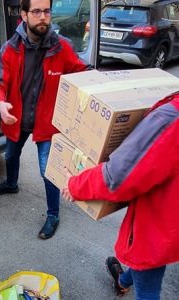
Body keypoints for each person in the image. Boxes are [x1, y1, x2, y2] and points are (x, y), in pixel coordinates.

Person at [0, 0, 89, 239]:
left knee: (47, 171)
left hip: (47, 123)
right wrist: (0, 103)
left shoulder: (62, 48)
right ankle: (11, 184)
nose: (43, 17)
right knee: (11, 155)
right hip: (16, 119)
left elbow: (83, 74)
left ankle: (53, 214)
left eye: (46, 11)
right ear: (24, 15)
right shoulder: (10, 49)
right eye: (36, 11)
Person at [62, 93, 179, 299]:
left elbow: (117, 176)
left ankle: (123, 281)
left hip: (158, 222)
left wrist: (75, 185)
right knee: (152, 261)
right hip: (172, 219)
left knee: (149, 280)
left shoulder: (169, 119)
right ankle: (122, 281)